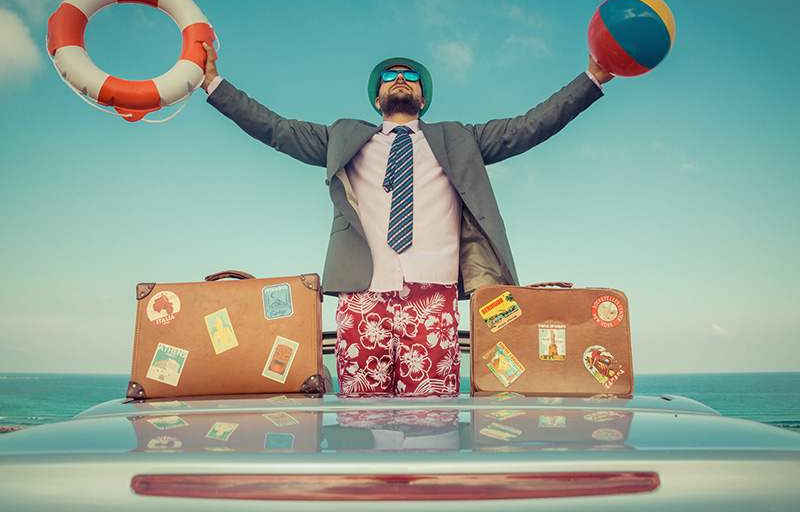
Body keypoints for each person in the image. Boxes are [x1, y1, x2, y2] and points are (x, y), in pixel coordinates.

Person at [200, 43, 612, 395]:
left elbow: (529, 126)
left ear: (423, 96)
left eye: (411, 74)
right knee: (362, 414)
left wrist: (590, 80)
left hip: (434, 295)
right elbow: (275, 128)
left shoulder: (459, 138)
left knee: (432, 416)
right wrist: (215, 86)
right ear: (378, 99)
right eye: (388, 76)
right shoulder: (341, 138)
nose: (400, 77)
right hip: (362, 296)